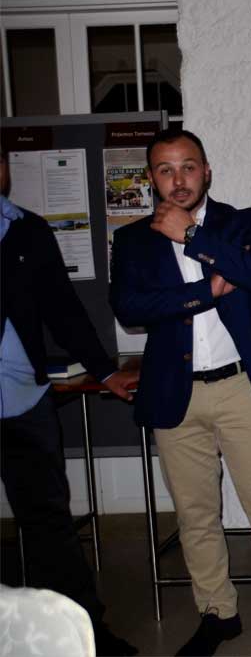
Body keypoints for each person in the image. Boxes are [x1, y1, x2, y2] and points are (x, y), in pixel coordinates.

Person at [110, 128, 251, 656]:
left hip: (241, 386)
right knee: (196, 515)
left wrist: (193, 235)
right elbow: (131, 308)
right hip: (176, 392)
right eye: (165, 169)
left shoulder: (242, 222)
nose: (178, 179)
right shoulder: (133, 240)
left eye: (188, 166)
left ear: (207, 170)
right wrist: (205, 291)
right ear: (151, 178)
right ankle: (218, 614)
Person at [0, 154, 138, 656]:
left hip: (24, 402)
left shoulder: (27, 230)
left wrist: (104, 370)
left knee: (49, 527)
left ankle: (81, 636)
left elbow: (63, 309)